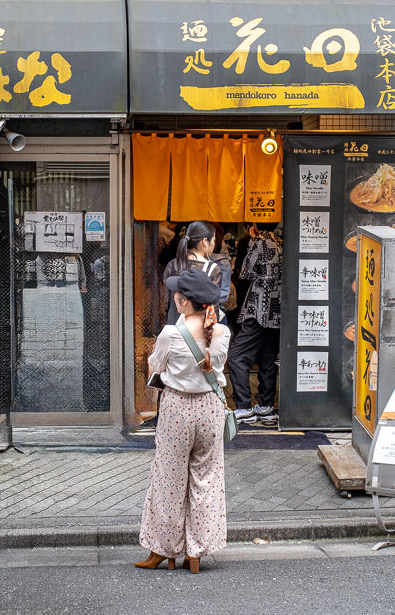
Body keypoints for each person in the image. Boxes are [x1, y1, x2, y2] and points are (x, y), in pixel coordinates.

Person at [137, 268, 230, 574]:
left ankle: (164, 551)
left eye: (177, 293)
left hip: (177, 408)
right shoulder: (222, 332)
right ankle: (197, 553)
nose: (174, 296)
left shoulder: (170, 334)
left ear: (185, 301)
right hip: (210, 409)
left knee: (169, 481)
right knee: (206, 480)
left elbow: (156, 365)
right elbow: (216, 368)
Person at [227, 223, 282, 424]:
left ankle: (243, 407)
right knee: (267, 358)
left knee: (236, 357)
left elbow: (246, 273)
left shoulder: (259, 241)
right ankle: (266, 407)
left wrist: (253, 239)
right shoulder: (281, 241)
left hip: (259, 307)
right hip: (277, 308)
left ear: (255, 225)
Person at [162, 221, 223, 325]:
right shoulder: (213, 269)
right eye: (213, 240)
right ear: (204, 241)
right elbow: (213, 308)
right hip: (198, 332)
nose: (214, 244)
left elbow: (165, 300)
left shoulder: (172, 265)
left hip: (174, 327)